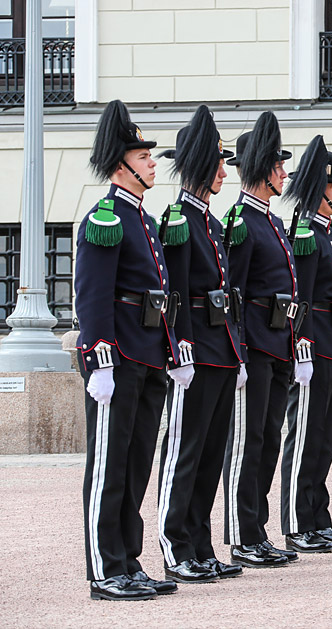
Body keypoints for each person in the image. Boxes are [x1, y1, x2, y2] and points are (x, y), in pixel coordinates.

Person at [77, 99, 179, 600]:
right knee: (108, 467)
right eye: (143, 157)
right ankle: (104, 570)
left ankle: (129, 560)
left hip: (148, 354)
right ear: (121, 165)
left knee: (136, 465)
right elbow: (93, 295)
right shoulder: (107, 217)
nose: (152, 163)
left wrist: (170, 348)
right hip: (117, 358)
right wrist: (99, 357)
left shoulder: (145, 219)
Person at [156, 105, 244, 584]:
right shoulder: (179, 219)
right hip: (196, 351)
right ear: (198, 166)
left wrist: (238, 351)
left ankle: (201, 542)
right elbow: (177, 292)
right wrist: (180, 346)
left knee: (212, 452)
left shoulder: (211, 222)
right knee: (186, 450)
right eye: (218, 163)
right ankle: (176, 546)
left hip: (222, 348)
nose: (224, 171)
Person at [222, 111, 299, 567]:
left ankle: (258, 527)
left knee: (270, 438)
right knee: (248, 442)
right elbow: (233, 292)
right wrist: (241, 353)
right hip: (254, 346)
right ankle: (241, 532)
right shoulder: (241, 221)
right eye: (278, 166)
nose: (285, 174)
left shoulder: (271, 220)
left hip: (278, 345)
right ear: (262, 170)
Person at [279, 136, 332, 552]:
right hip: (316, 346)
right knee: (307, 437)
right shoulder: (307, 233)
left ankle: (318, 516)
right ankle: (298, 522)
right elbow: (303, 297)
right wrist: (302, 345)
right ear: (319, 191)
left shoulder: (328, 235)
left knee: (326, 438)